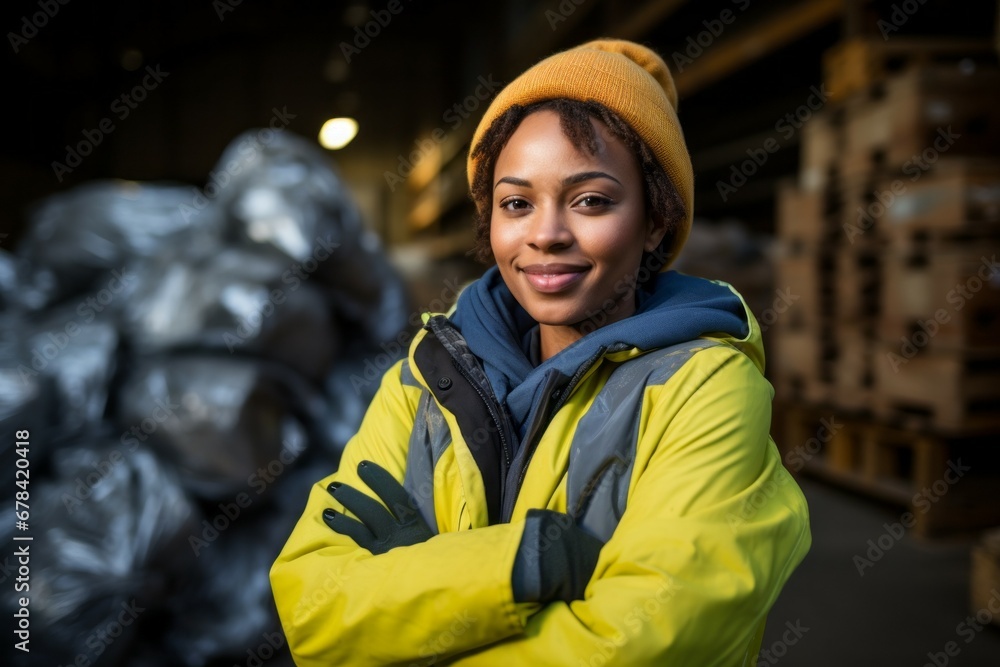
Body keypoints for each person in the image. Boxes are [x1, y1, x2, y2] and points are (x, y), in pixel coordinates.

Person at [270, 38, 811, 666]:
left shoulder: (705, 388)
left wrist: (419, 606)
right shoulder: (426, 378)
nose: (547, 235)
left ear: (656, 220)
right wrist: (517, 567)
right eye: (517, 203)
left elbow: (638, 645)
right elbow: (311, 607)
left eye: (590, 200)